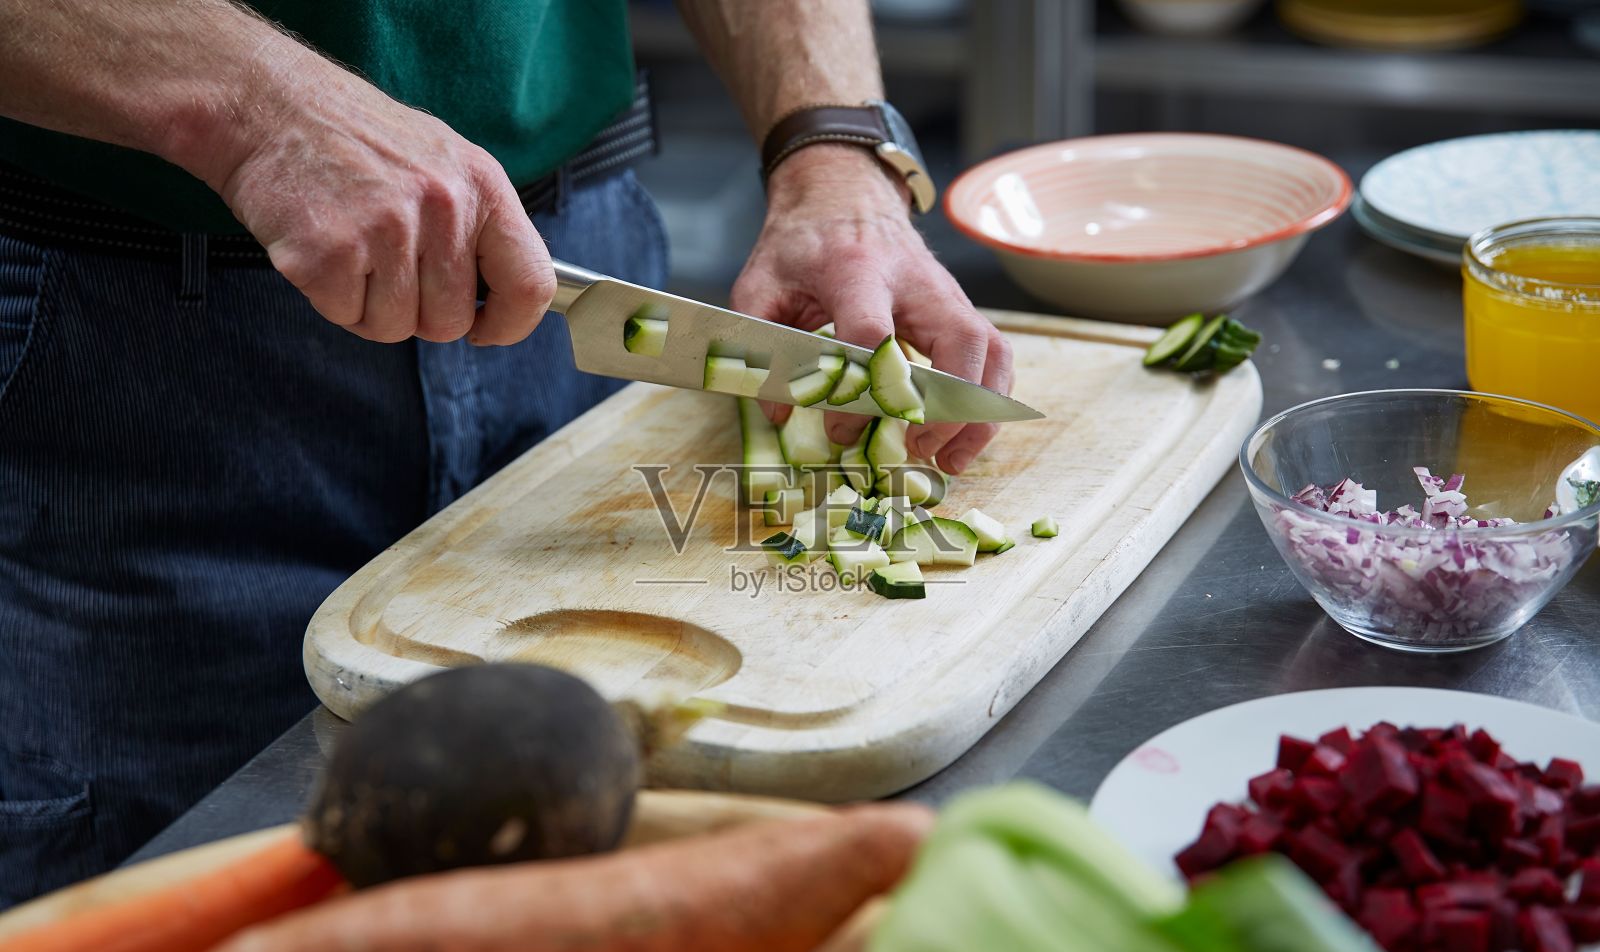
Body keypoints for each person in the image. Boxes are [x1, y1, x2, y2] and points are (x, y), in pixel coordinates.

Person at [0, 0, 1012, 905]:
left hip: (567, 267)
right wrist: (258, 105)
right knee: (154, 909)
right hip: (116, 339)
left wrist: (833, 150)